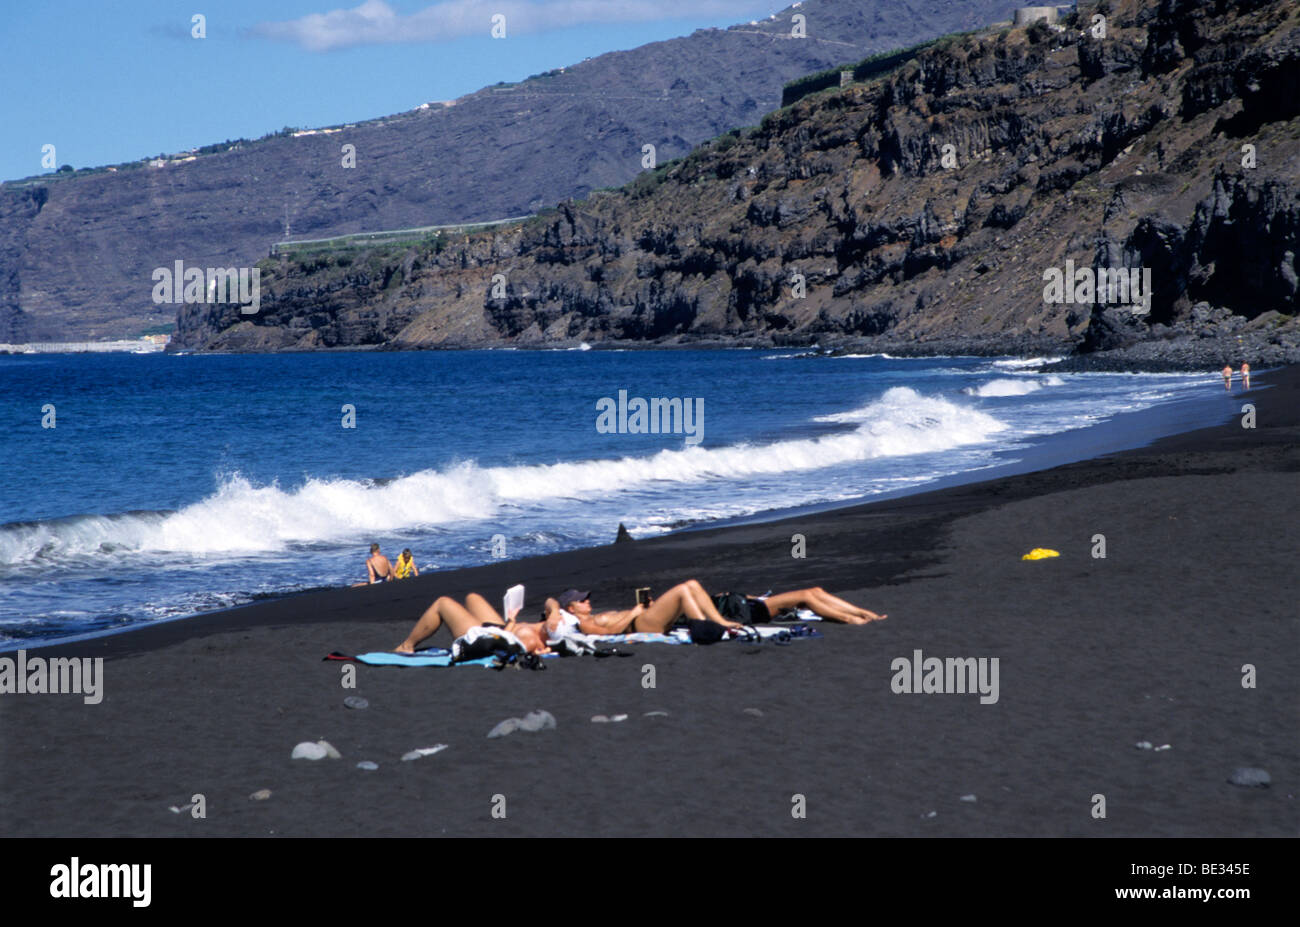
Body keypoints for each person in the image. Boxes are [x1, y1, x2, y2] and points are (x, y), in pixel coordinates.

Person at [543, 581, 745, 639]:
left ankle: (718, 622)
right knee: (683, 590)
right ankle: (705, 629)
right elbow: (609, 632)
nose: (587, 601)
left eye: (586, 598)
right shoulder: (584, 624)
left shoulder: (594, 616)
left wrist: (645, 608)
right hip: (638, 625)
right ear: (571, 608)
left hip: (641, 619)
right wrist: (633, 613)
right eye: (581, 601)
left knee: (691, 586)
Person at [395, 593, 551, 654]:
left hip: (485, 638)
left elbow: (506, 643)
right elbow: (552, 603)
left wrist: (511, 622)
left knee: (442, 603)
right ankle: (464, 618)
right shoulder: (559, 623)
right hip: (501, 629)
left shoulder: (533, 639)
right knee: (472, 598)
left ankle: (407, 646)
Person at [757, 587, 885, 624]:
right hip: (748, 611)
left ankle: (861, 612)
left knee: (816, 591)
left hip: (749, 604)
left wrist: (757, 598)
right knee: (805, 596)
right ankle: (847, 618)